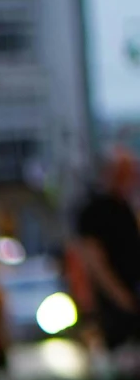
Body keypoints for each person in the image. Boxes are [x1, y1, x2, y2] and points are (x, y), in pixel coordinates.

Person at [72, 149, 140, 350]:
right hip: (114, 306)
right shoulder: (96, 211)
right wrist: (124, 300)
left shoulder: (125, 206)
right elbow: (95, 263)